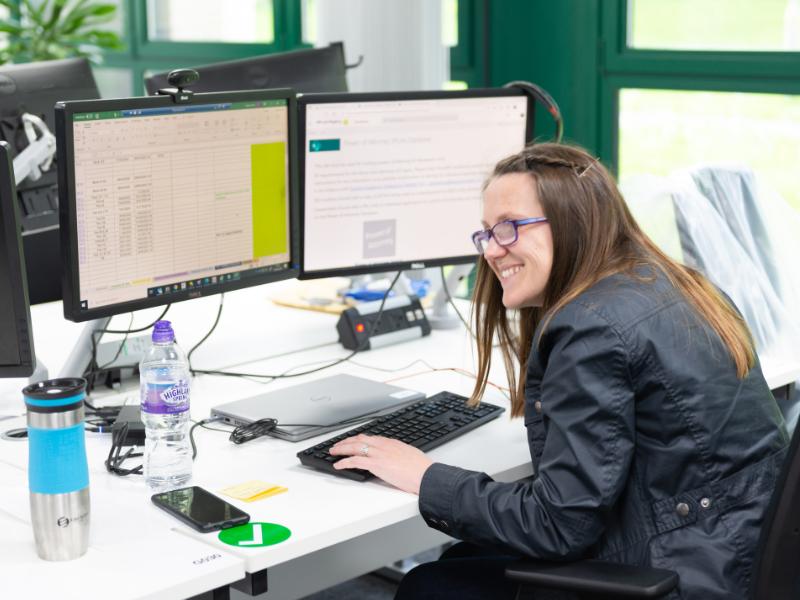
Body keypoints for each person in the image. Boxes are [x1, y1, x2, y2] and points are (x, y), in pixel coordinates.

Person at [330, 143, 789, 600]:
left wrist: (425, 475)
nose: (491, 250)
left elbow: (559, 525)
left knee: (428, 585)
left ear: (574, 222)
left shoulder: (592, 327)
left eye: (508, 228)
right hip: (729, 551)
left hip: (678, 575)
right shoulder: (677, 283)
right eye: (486, 232)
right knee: (460, 560)